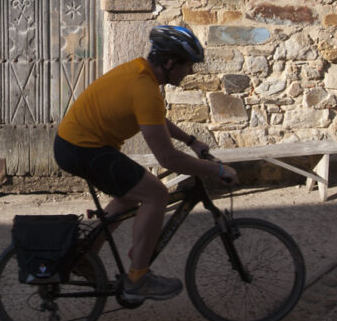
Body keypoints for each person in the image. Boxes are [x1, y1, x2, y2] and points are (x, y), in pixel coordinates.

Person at [53, 25, 239, 301]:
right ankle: (137, 278)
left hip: (79, 145)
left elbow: (153, 118)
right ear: (170, 62)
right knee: (156, 194)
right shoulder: (144, 88)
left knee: (129, 196)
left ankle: (86, 253)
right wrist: (219, 170)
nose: (190, 73)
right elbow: (168, 159)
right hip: (83, 148)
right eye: (188, 66)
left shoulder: (141, 74)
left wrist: (191, 141)